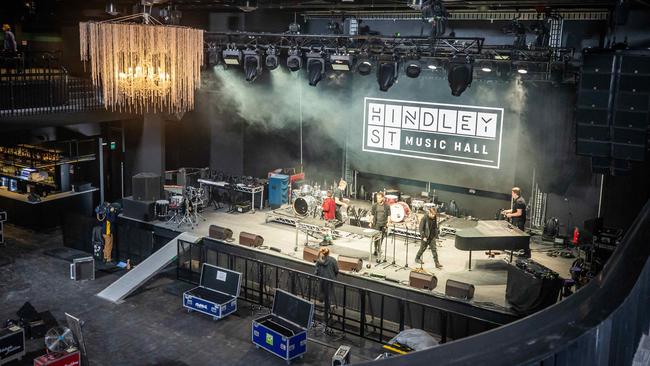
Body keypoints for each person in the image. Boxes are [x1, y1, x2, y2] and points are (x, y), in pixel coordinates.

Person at [501, 187, 529, 258]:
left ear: (515, 193)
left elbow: (519, 213)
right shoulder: (518, 200)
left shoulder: (519, 201)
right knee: (517, 236)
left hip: (519, 221)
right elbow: (514, 210)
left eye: (512, 193)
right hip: (517, 221)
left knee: (520, 236)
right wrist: (507, 211)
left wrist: (510, 215)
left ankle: (525, 252)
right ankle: (517, 249)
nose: (512, 194)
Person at [314, 247, 338, 326]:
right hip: (330, 281)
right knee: (329, 298)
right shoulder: (333, 260)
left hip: (322, 281)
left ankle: (325, 316)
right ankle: (328, 317)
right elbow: (336, 270)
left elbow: (316, 272)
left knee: (323, 298)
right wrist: (332, 276)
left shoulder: (318, 261)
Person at [370, 191, 391, 261]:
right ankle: (376, 249)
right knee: (376, 237)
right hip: (376, 224)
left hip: (383, 224)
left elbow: (389, 215)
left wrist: (388, 223)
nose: (378, 199)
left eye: (379, 198)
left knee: (381, 237)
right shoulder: (375, 205)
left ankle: (378, 248)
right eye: (377, 198)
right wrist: (370, 222)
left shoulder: (387, 206)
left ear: (382, 198)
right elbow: (372, 215)